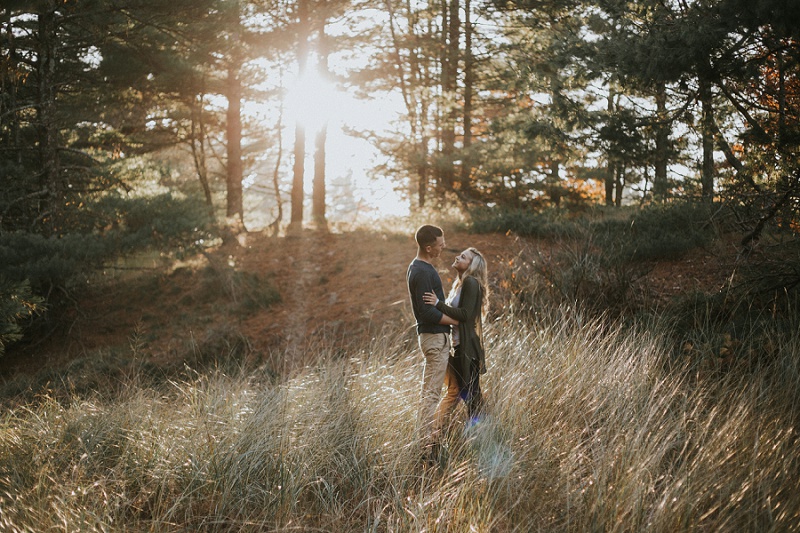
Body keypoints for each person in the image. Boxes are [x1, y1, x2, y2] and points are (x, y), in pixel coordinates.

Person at [406, 225, 459, 463]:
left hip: (436, 338)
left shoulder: (418, 268)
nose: (443, 246)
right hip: (434, 338)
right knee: (430, 395)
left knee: (452, 389)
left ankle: (435, 438)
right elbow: (426, 313)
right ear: (429, 248)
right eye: (440, 243)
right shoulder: (424, 272)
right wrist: (457, 320)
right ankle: (424, 450)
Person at [422, 247, 488, 432]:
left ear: (471, 265)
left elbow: (465, 315)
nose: (458, 257)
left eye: (464, 257)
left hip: (468, 349)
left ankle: (480, 433)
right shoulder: (461, 284)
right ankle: (479, 431)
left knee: (471, 393)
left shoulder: (471, 283)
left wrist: (437, 304)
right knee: (466, 391)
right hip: (460, 347)